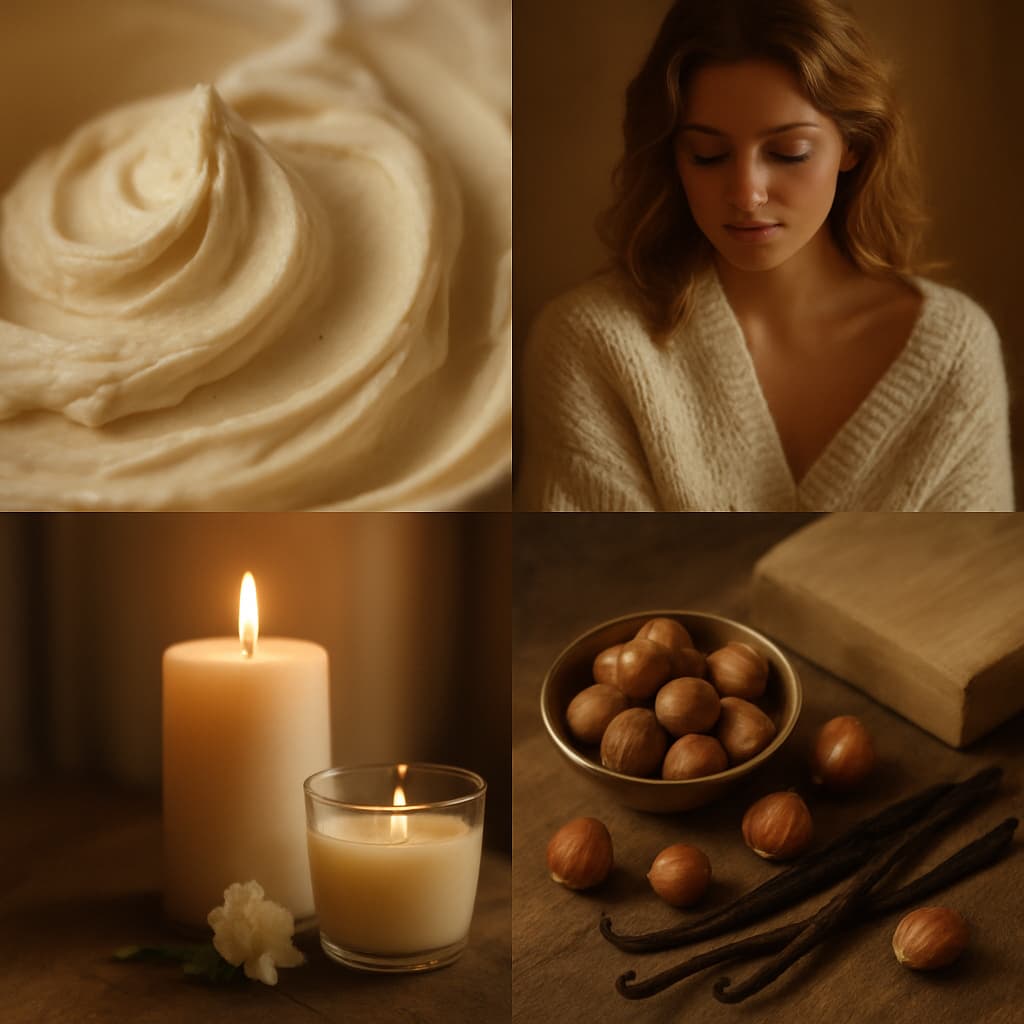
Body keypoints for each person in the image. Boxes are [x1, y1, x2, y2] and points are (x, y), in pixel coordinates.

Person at [519, 0, 1013, 511]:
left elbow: (975, 570)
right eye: (707, 155)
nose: (746, 193)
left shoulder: (954, 351)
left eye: (789, 152)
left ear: (854, 144)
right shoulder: (591, 343)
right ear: (673, 154)